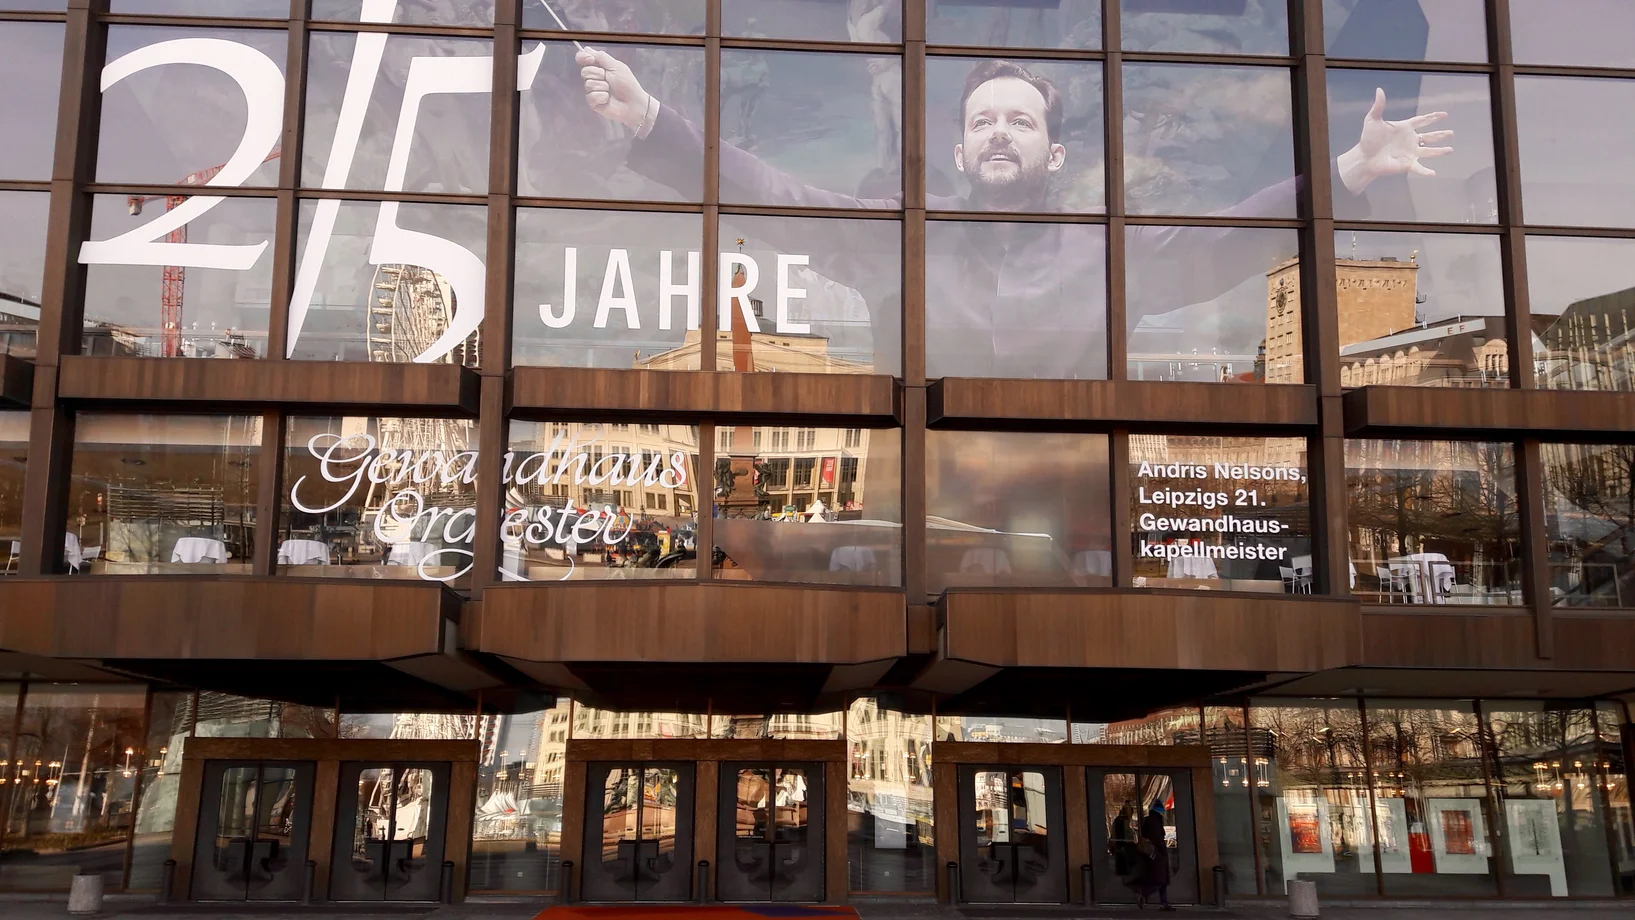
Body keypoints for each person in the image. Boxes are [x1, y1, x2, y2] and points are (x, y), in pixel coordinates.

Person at [573, 47, 1452, 378]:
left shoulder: (1107, 250)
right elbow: (775, 194)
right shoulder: (900, 239)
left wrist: (1348, 170)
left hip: (1075, 507)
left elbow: (1227, 236)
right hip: (920, 507)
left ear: (1053, 154)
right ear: (959, 153)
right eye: (982, 122)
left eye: (1020, 122)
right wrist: (652, 122)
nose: (999, 132)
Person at [1138, 802, 1174, 911]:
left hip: (1153, 854)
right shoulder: (1155, 821)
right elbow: (1158, 838)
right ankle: (1146, 895)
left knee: (1159, 879)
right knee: (1160, 879)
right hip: (1158, 854)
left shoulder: (1150, 820)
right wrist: (1163, 852)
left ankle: (1163, 901)